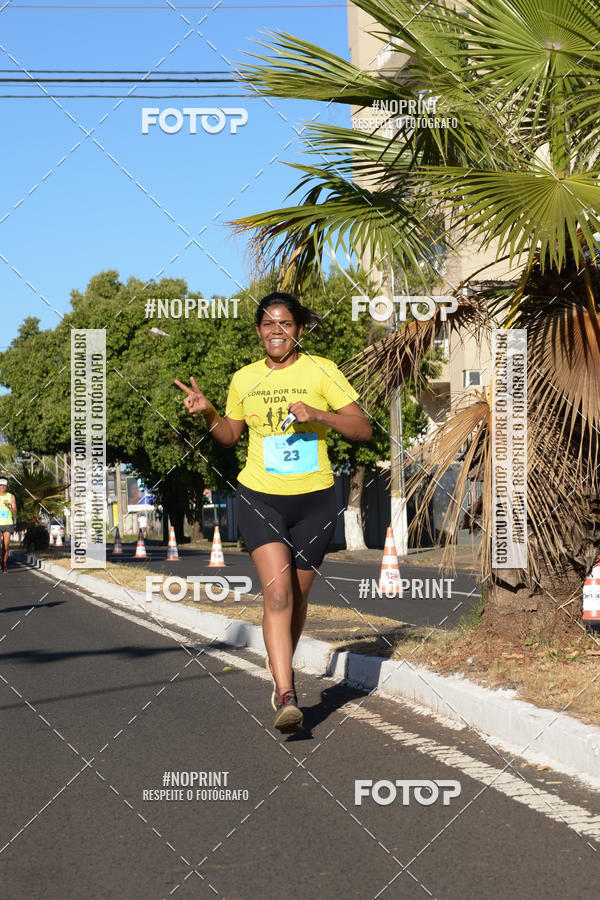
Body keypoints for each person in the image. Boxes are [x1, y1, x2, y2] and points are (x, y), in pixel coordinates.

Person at [175, 292, 372, 734]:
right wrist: (208, 412)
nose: (275, 331)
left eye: (284, 323)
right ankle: (286, 692)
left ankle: (277, 660)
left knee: (297, 600)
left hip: (315, 499)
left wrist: (319, 413)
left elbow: (362, 428)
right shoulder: (244, 379)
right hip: (260, 496)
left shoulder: (322, 370)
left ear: (299, 329)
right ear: (259, 331)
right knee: (277, 596)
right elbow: (228, 436)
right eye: (267, 324)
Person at [0, 478, 17, 573]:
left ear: (7, 486)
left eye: (4, 485)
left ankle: (4, 564)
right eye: (0, 485)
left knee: (6, 546)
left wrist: (9, 506)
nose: (2, 487)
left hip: (8, 524)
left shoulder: (11, 497)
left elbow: (15, 513)